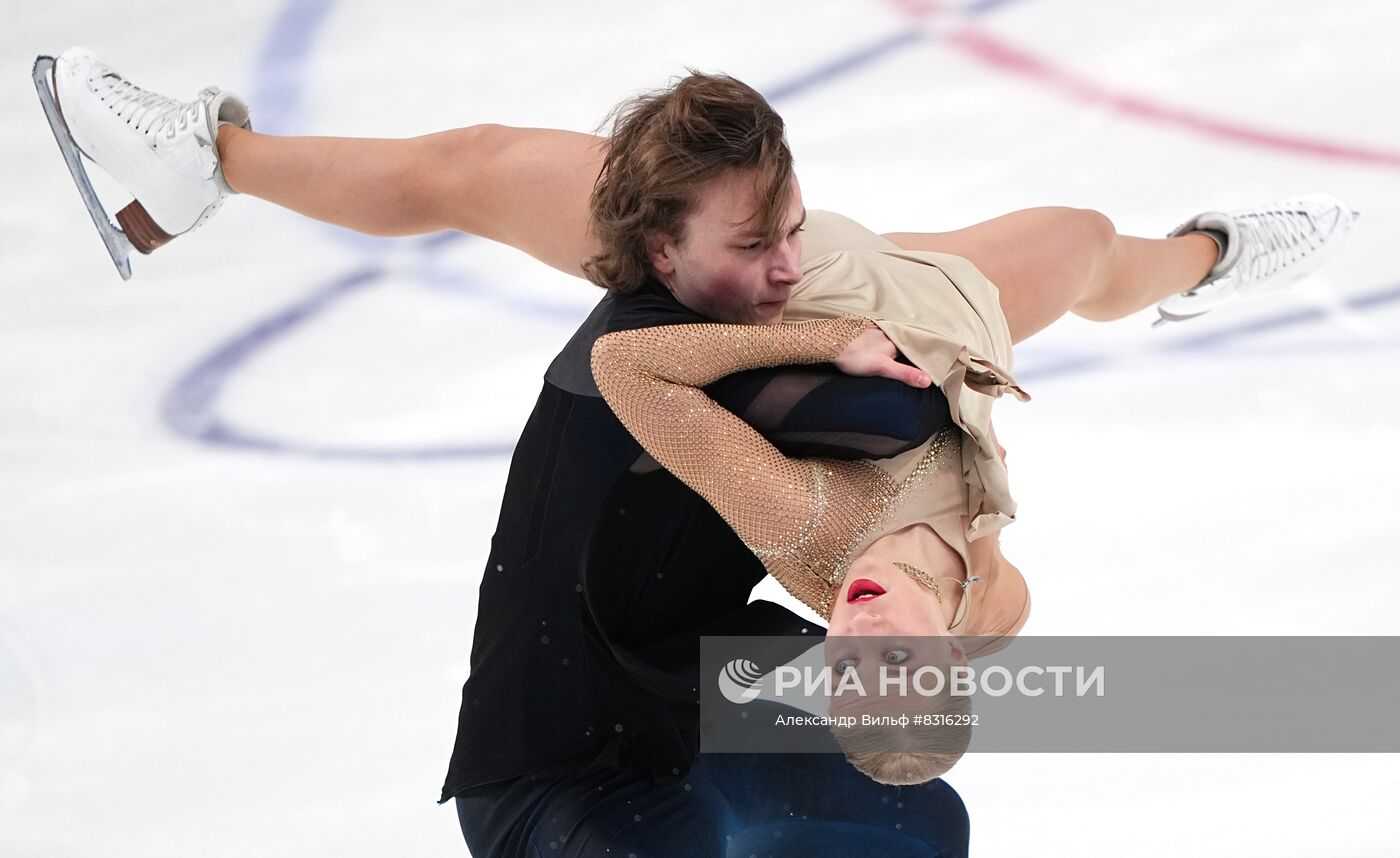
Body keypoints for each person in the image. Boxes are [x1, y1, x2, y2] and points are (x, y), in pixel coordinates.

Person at [42, 47, 1357, 856]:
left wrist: (807, 354)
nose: (862, 636)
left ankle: (202, 166)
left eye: (849, 666)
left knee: (481, 165)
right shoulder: (976, 595)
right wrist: (957, 563)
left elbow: (646, 376)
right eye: (891, 657)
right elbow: (990, 592)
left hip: (782, 315)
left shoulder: (809, 535)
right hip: (906, 311)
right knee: (1077, 241)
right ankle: (1215, 253)